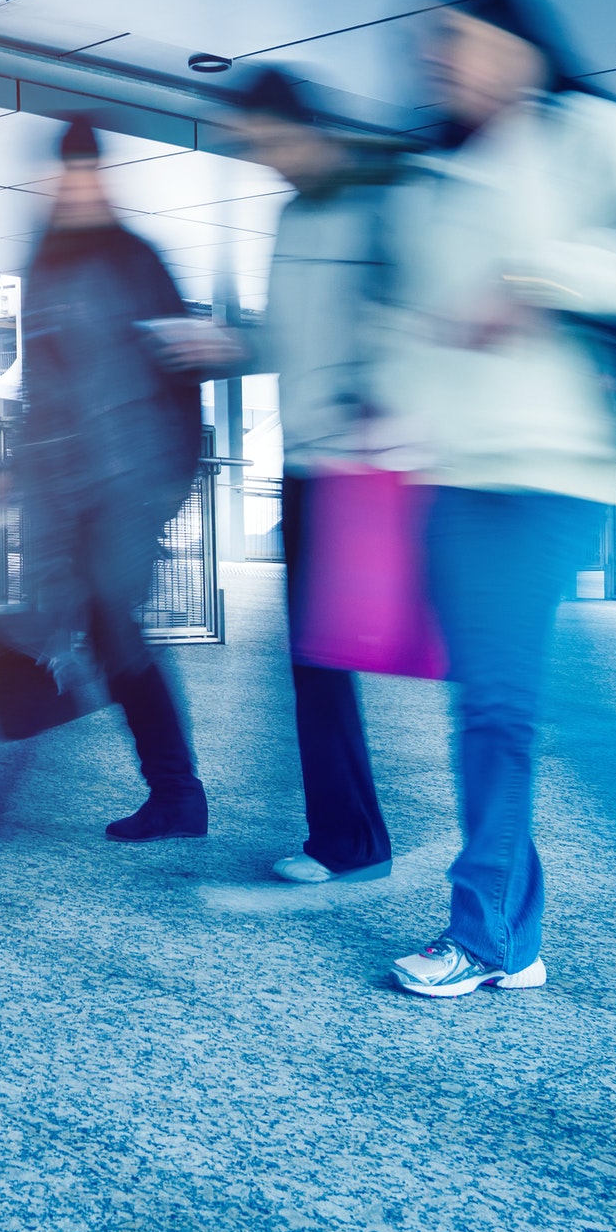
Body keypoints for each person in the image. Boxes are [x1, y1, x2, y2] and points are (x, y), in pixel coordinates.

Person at [377, 0, 616, 997]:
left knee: (505, 701)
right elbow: (417, 323)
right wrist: (394, 407)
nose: (439, 60)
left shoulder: (589, 135)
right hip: (456, 470)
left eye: (456, 40)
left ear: (518, 45)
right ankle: (519, 928)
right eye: (429, 47)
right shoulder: (436, 175)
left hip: (551, 464)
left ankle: (509, 920)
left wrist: (541, 277)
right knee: (499, 705)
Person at [2, 117, 213, 841]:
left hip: (129, 484)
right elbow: (43, 390)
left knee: (115, 630)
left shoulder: (136, 261)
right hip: (66, 488)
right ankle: (174, 792)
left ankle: (179, 794)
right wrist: (22, 479)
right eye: (66, 173)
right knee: (90, 631)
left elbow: (182, 376)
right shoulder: (44, 264)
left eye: (88, 172)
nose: (76, 186)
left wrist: (167, 490)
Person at [225, 67, 401, 887]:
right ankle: (350, 839)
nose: (267, 161)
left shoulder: (379, 202)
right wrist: (228, 349)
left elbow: (409, 321)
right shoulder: (294, 214)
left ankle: (362, 836)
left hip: (372, 466)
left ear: (303, 128)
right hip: (309, 465)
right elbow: (289, 338)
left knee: (432, 657)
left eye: (270, 143)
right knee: (315, 658)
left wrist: (382, 401)